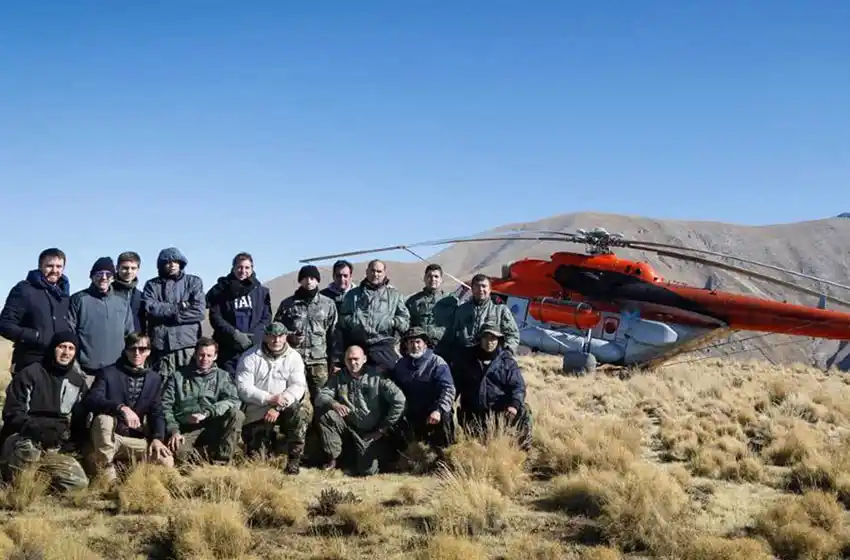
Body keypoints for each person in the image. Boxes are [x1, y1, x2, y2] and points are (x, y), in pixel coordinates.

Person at [0, 331, 90, 493]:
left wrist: (70, 441)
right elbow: (12, 414)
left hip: (54, 445)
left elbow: (79, 420)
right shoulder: (29, 374)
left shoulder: (77, 382)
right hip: (24, 438)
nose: (66, 352)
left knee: (78, 484)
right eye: (62, 347)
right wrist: (37, 429)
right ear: (52, 348)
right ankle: (15, 479)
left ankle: (38, 478)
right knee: (25, 465)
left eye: (71, 348)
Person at [82, 332, 173, 482]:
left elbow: (157, 412)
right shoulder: (108, 373)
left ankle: (139, 483)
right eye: (132, 349)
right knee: (103, 419)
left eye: (142, 349)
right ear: (125, 351)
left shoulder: (154, 379)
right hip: (109, 438)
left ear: (149, 351)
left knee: (166, 460)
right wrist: (120, 408)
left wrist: (157, 438)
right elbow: (92, 399)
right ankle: (108, 480)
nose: (137, 353)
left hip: (134, 439)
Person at [315, 345, 406, 476]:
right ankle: (333, 458)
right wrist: (334, 404)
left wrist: (382, 429)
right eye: (349, 359)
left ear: (364, 359)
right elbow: (321, 396)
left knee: (367, 471)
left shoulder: (377, 376)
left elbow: (400, 400)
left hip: (371, 432)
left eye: (356, 359)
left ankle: (378, 455)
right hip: (348, 426)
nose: (353, 363)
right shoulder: (339, 376)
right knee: (325, 414)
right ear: (345, 360)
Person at [235, 322, 310, 474]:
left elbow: (298, 386)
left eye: (280, 336)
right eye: (272, 336)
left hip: (282, 408)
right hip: (257, 411)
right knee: (257, 461)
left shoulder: (294, 357)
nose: (276, 340)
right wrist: (269, 398)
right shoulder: (250, 357)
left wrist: (277, 406)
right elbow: (243, 388)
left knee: (299, 411)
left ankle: (294, 460)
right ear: (265, 336)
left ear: (285, 337)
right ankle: (267, 445)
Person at [160, 338, 245, 465]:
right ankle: (205, 454)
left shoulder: (222, 376)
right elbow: (165, 406)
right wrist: (174, 431)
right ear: (195, 354)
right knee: (179, 453)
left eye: (209, 355)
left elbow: (233, 400)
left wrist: (208, 412)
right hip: (187, 429)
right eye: (201, 354)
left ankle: (221, 462)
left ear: (215, 356)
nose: (205, 359)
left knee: (237, 415)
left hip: (213, 425)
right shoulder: (178, 376)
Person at [452, 324, 532, 451]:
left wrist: (514, 405)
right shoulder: (466, 359)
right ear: (480, 339)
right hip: (473, 414)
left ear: (499, 340)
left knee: (523, 410)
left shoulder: (507, 361)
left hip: (499, 414)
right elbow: (454, 384)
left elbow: (518, 387)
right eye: (486, 338)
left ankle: (522, 450)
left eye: (493, 338)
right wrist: (447, 403)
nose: (490, 342)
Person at [0, 248, 72, 374]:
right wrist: (36, 336)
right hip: (29, 361)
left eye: (59, 266)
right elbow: (5, 325)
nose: (54, 270)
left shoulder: (63, 296)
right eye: (49, 266)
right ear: (40, 266)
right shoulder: (24, 290)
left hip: (56, 364)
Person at [274, 265, 340, 402]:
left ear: (317, 280)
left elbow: (334, 334)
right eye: (305, 278)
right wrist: (291, 336)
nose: (309, 282)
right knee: (298, 400)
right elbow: (277, 331)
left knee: (323, 399)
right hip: (294, 360)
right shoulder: (288, 304)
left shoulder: (328, 304)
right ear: (300, 281)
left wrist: (334, 361)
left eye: (312, 278)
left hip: (319, 361)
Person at [141, 247, 206, 377]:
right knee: (163, 384)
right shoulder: (152, 285)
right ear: (161, 265)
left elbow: (199, 311)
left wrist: (173, 316)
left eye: (175, 261)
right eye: (167, 262)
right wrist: (180, 306)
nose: (172, 265)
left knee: (187, 383)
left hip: (187, 344)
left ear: (181, 263)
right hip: (162, 346)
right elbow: (151, 308)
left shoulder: (193, 282)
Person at [205, 252, 272, 375]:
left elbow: (266, 317)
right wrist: (235, 334)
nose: (243, 271)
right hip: (228, 349)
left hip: (253, 348)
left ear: (252, 269)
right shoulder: (221, 290)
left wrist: (256, 335)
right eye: (239, 267)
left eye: (247, 268)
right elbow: (215, 317)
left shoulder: (261, 292)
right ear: (233, 268)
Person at [68, 257, 135, 379]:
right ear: (92, 276)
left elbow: (129, 336)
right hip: (86, 372)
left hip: (116, 371)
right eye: (99, 274)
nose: (104, 277)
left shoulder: (122, 303)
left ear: (113, 277)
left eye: (108, 274)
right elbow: (69, 334)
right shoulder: (78, 300)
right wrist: (76, 366)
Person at [391, 327, 456, 452]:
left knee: (445, 415)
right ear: (406, 345)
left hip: (434, 412)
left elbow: (448, 389)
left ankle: (445, 455)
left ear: (425, 344)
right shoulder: (400, 365)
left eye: (418, 342)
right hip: (412, 413)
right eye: (411, 342)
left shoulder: (437, 362)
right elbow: (394, 389)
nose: (415, 346)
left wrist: (438, 410)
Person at [338, 259, 410, 371]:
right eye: (372, 270)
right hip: (359, 344)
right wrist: (354, 322)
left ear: (384, 273)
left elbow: (405, 321)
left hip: (383, 344)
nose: (375, 274)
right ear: (366, 272)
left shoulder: (394, 296)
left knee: (394, 376)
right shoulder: (352, 295)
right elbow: (342, 318)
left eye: (379, 271)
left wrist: (391, 322)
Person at [449, 274, 520, 362]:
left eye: (484, 286)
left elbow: (513, 334)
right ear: (472, 289)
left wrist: (507, 353)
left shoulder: (500, 310)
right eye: (477, 286)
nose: (481, 289)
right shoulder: (461, 311)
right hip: (466, 361)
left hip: (492, 360)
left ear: (490, 289)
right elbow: (453, 336)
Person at [405, 264, 458, 359]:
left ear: (441, 279)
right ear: (425, 278)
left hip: (446, 347)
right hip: (421, 348)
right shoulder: (413, 301)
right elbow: (407, 323)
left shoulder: (452, 301)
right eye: (429, 276)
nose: (433, 279)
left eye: (436, 276)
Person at [113, 251, 147, 333]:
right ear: (117, 268)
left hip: (135, 341)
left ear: (138, 269)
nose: (129, 271)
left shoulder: (142, 296)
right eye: (125, 268)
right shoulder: (107, 292)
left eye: (133, 268)